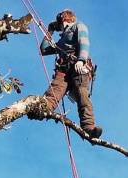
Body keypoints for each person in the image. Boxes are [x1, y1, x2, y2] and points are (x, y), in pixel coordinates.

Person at [40, 9, 102, 139]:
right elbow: (44, 49)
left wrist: (81, 60)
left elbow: (84, 42)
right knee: (54, 90)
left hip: (78, 67)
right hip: (64, 70)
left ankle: (89, 127)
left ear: (64, 18)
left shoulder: (78, 26)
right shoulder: (62, 39)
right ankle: (42, 108)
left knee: (82, 94)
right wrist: (49, 30)